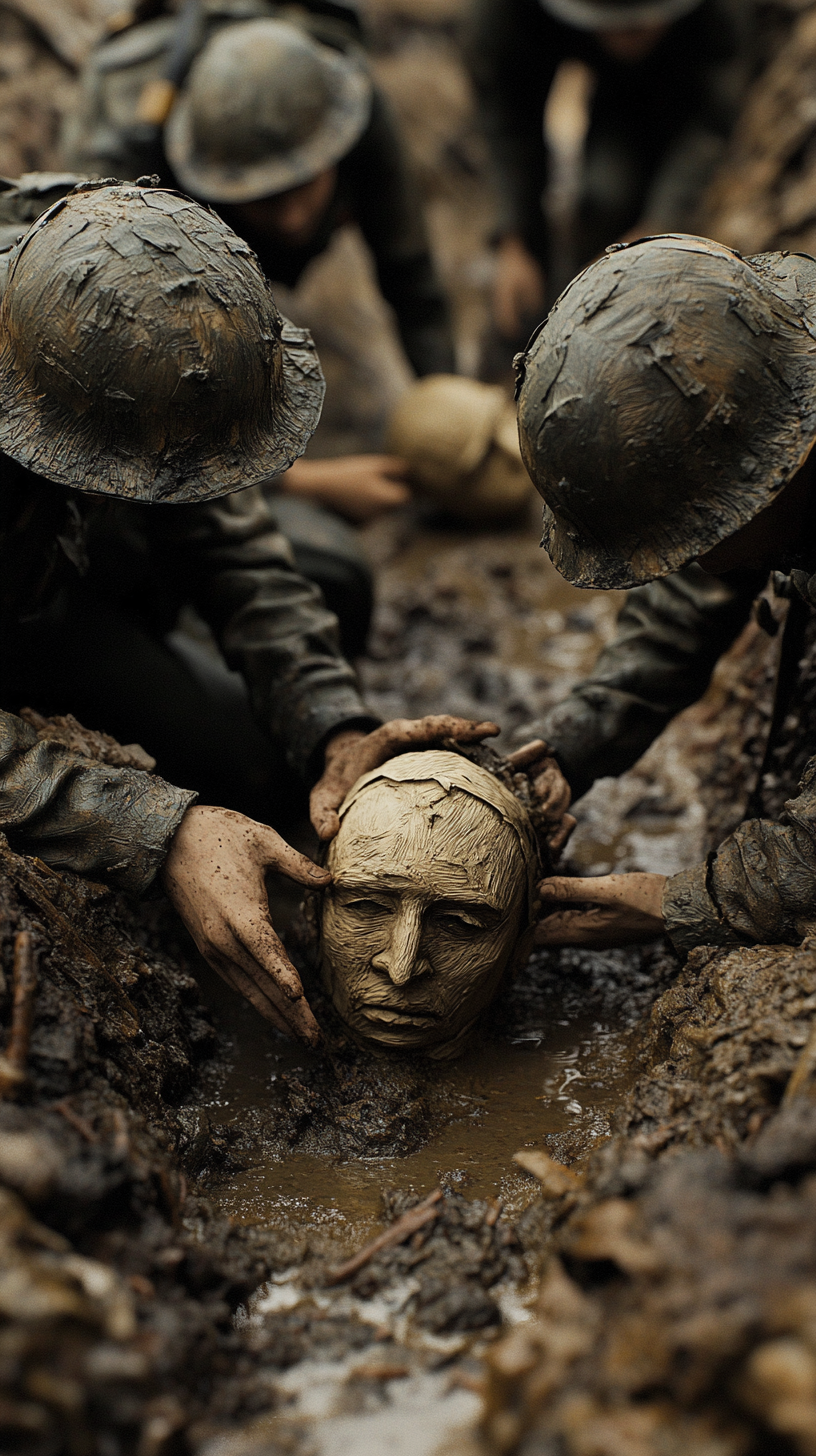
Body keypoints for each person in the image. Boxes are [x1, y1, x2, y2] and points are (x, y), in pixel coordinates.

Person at [0, 175, 494, 1047]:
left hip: (60, 544)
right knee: (227, 775)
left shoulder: (116, 293)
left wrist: (332, 723)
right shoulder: (44, 343)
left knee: (324, 588)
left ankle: (157, 650)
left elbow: (230, 540)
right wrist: (155, 827)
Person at [513, 231, 816, 955]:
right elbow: (694, 592)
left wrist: (688, 900)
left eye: (697, 541)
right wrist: (576, 741)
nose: (688, 563)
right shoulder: (778, 405)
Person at [64, 2, 455, 547]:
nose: (292, 219)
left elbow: (411, 277)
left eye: (302, 187)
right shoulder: (141, 195)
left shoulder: (350, 110)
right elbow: (134, 408)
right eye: (267, 202)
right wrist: (305, 483)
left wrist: (447, 413)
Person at [465, 0, 745, 345]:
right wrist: (513, 238)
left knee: (612, 195)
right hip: (555, 33)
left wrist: (657, 231)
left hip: (678, 65)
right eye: (616, 25)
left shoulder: (719, 17)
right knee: (586, 212)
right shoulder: (506, 17)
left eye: (636, 26)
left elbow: (710, 120)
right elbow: (507, 119)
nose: (625, 36)